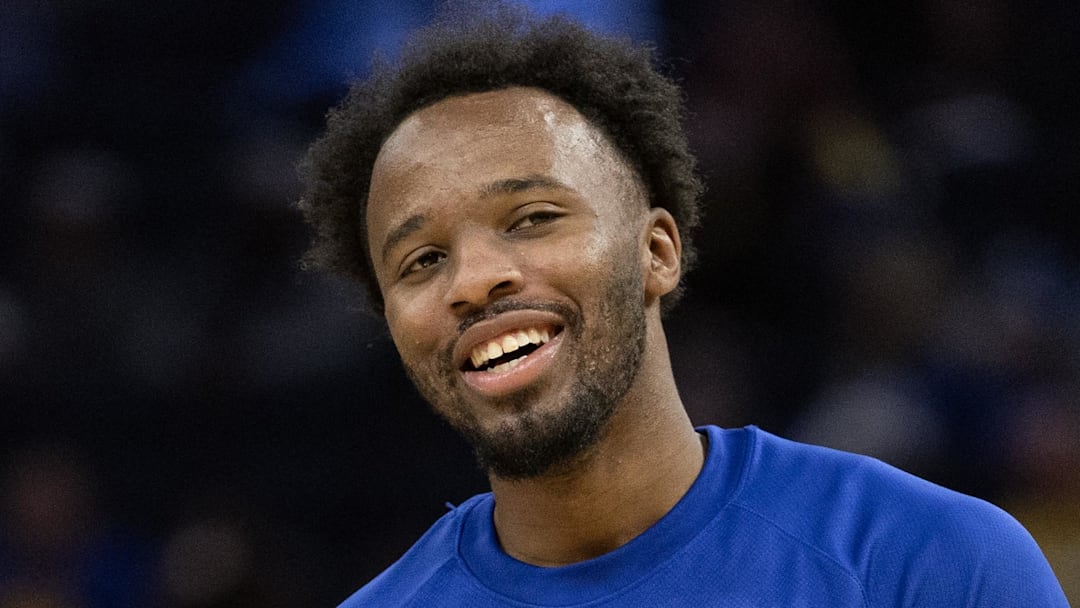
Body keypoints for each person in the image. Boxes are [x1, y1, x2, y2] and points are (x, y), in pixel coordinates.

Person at [298, 3, 1069, 606]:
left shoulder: (927, 563)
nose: (473, 280)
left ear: (657, 251)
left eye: (531, 218)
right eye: (422, 261)